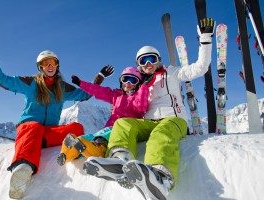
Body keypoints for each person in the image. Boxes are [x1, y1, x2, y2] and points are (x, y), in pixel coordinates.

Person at [83, 18, 216, 199]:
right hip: (148, 122)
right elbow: (110, 94)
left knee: (160, 134)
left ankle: (162, 177)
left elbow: (200, 68)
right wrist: (99, 78)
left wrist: (206, 39)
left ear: (158, 60)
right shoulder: (139, 84)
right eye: (143, 61)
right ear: (139, 65)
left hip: (173, 120)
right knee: (123, 124)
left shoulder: (172, 72)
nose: (147, 64)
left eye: (151, 59)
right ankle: (120, 161)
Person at [0, 36, 113, 199]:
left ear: (57, 65)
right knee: (33, 126)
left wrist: (99, 76)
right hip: (29, 128)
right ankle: (23, 168)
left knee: (76, 128)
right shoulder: (30, 83)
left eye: (52, 62)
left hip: (48, 133)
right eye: (45, 63)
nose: (49, 66)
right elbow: (2, 79)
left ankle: (68, 149)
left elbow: (85, 95)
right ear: (40, 67)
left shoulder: (62, 88)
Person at [57, 66, 150, 167]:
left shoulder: (138, 98)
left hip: (122, 130)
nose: (128, 83)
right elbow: (98, 91)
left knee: (101, 138)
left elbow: (141, 107)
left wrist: (144, 87)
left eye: (133, 80)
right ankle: (67, 153)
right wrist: (81, 83)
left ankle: (97, 151)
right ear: (121, 81)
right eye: (125, 79)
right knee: (87, 137)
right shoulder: (116, 95)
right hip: (107, 129)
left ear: (138, 84)